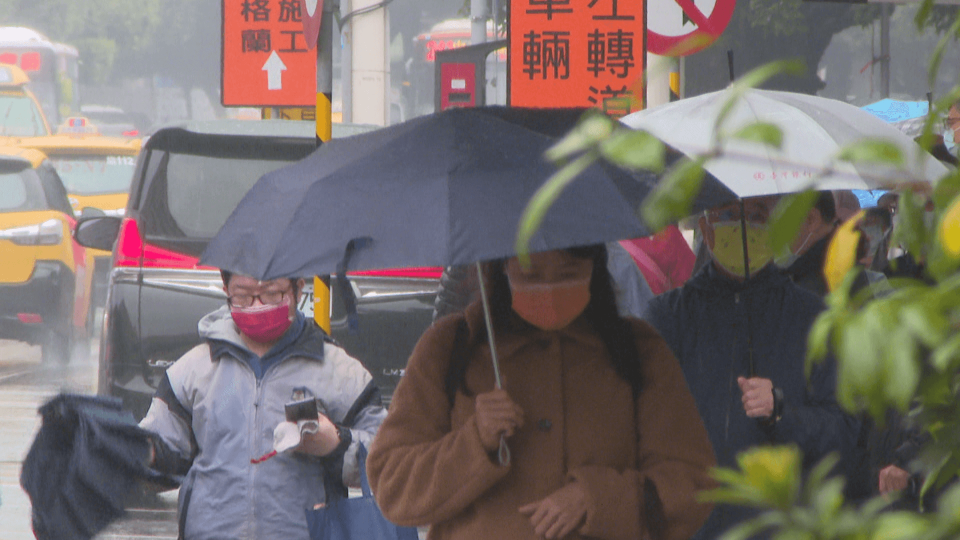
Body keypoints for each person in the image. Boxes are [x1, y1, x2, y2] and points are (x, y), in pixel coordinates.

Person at [369, 246, 717, 540]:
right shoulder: (451, 348)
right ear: (501, 267)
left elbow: (692, 482)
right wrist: (475, 441)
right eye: (531, 275)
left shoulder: (637, 351)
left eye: (568, 273)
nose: (549, 290)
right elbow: (393, 483)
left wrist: (596, 497)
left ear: (594, 267)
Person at [643, 196, 861, 539]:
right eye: (729, 214)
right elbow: (640, 423)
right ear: (705, 229)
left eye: (759, 216)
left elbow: (845, 430)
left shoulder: (814, 319)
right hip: (693, 525)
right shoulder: (668, 318)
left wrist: (783, 413)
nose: (744, 227)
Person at [139, 271, 387, 540]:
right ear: (225, 290)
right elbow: (160, 454)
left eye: (272, 294)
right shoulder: (193, 369)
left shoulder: (339, 371)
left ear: (299, 289)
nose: (257, 306)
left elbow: (389, 457)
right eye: (243, 296)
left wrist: (336, 444)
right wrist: (135, 451)